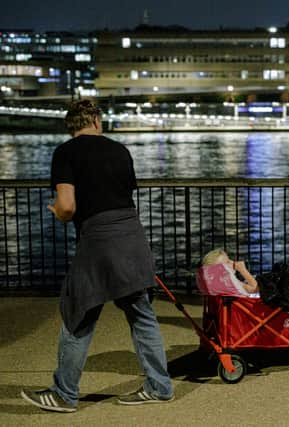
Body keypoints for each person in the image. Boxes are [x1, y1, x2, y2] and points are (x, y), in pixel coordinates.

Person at [20, 99, 174, 413]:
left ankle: (64, 393)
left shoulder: (66, 152)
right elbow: (121, 195)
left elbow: (67, 206)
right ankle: (159, 386)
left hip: (100, 239)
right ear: (97, 121)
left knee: (79, 311)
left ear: (70, 125)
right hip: (132, 233)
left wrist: (56, 212)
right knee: (141, 314)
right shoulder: (120, 150)